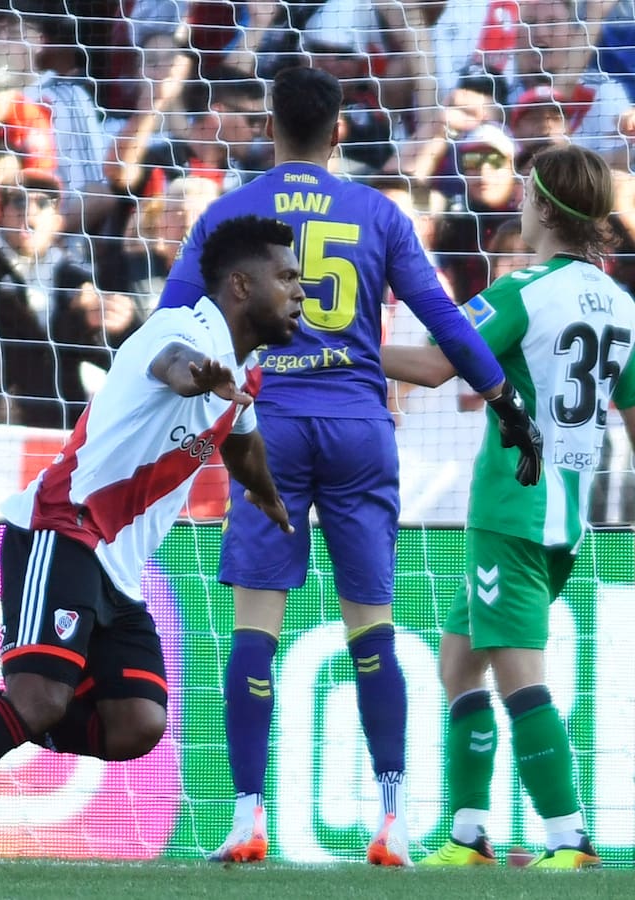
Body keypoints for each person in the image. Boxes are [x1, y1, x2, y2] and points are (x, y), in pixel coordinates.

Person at [155, 65, 543, 867]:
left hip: (272, 426)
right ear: (340, 131)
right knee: (371, 624)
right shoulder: (377, 212)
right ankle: (394, 818)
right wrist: (504, 401)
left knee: (255, 628)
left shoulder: (228, 214)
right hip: (361, 427)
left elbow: (169, 328)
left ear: (269, 128)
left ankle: (246, 817)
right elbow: (442, 319)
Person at [0, 214, 303, 874]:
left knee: (136, 723)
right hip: (60, 530)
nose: (299, 291)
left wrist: (269, 498)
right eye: (287, 278)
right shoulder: (183, 332)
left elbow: (242, 442)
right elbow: (173, 368)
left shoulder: (243, 368)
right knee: (39, 702)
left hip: (116, 568)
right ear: (241, 284)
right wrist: (197, 377)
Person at [384, 144, 635, 870]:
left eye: (525, 194)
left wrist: (340, 345)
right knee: (460, 663)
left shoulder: (525, 291)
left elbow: (435, 364)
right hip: (566, 511)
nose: (518, 206)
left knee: (520, 675)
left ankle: (569, 839)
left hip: (511, 505)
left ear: (545, 210)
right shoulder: (621, 306)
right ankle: (467, 834)